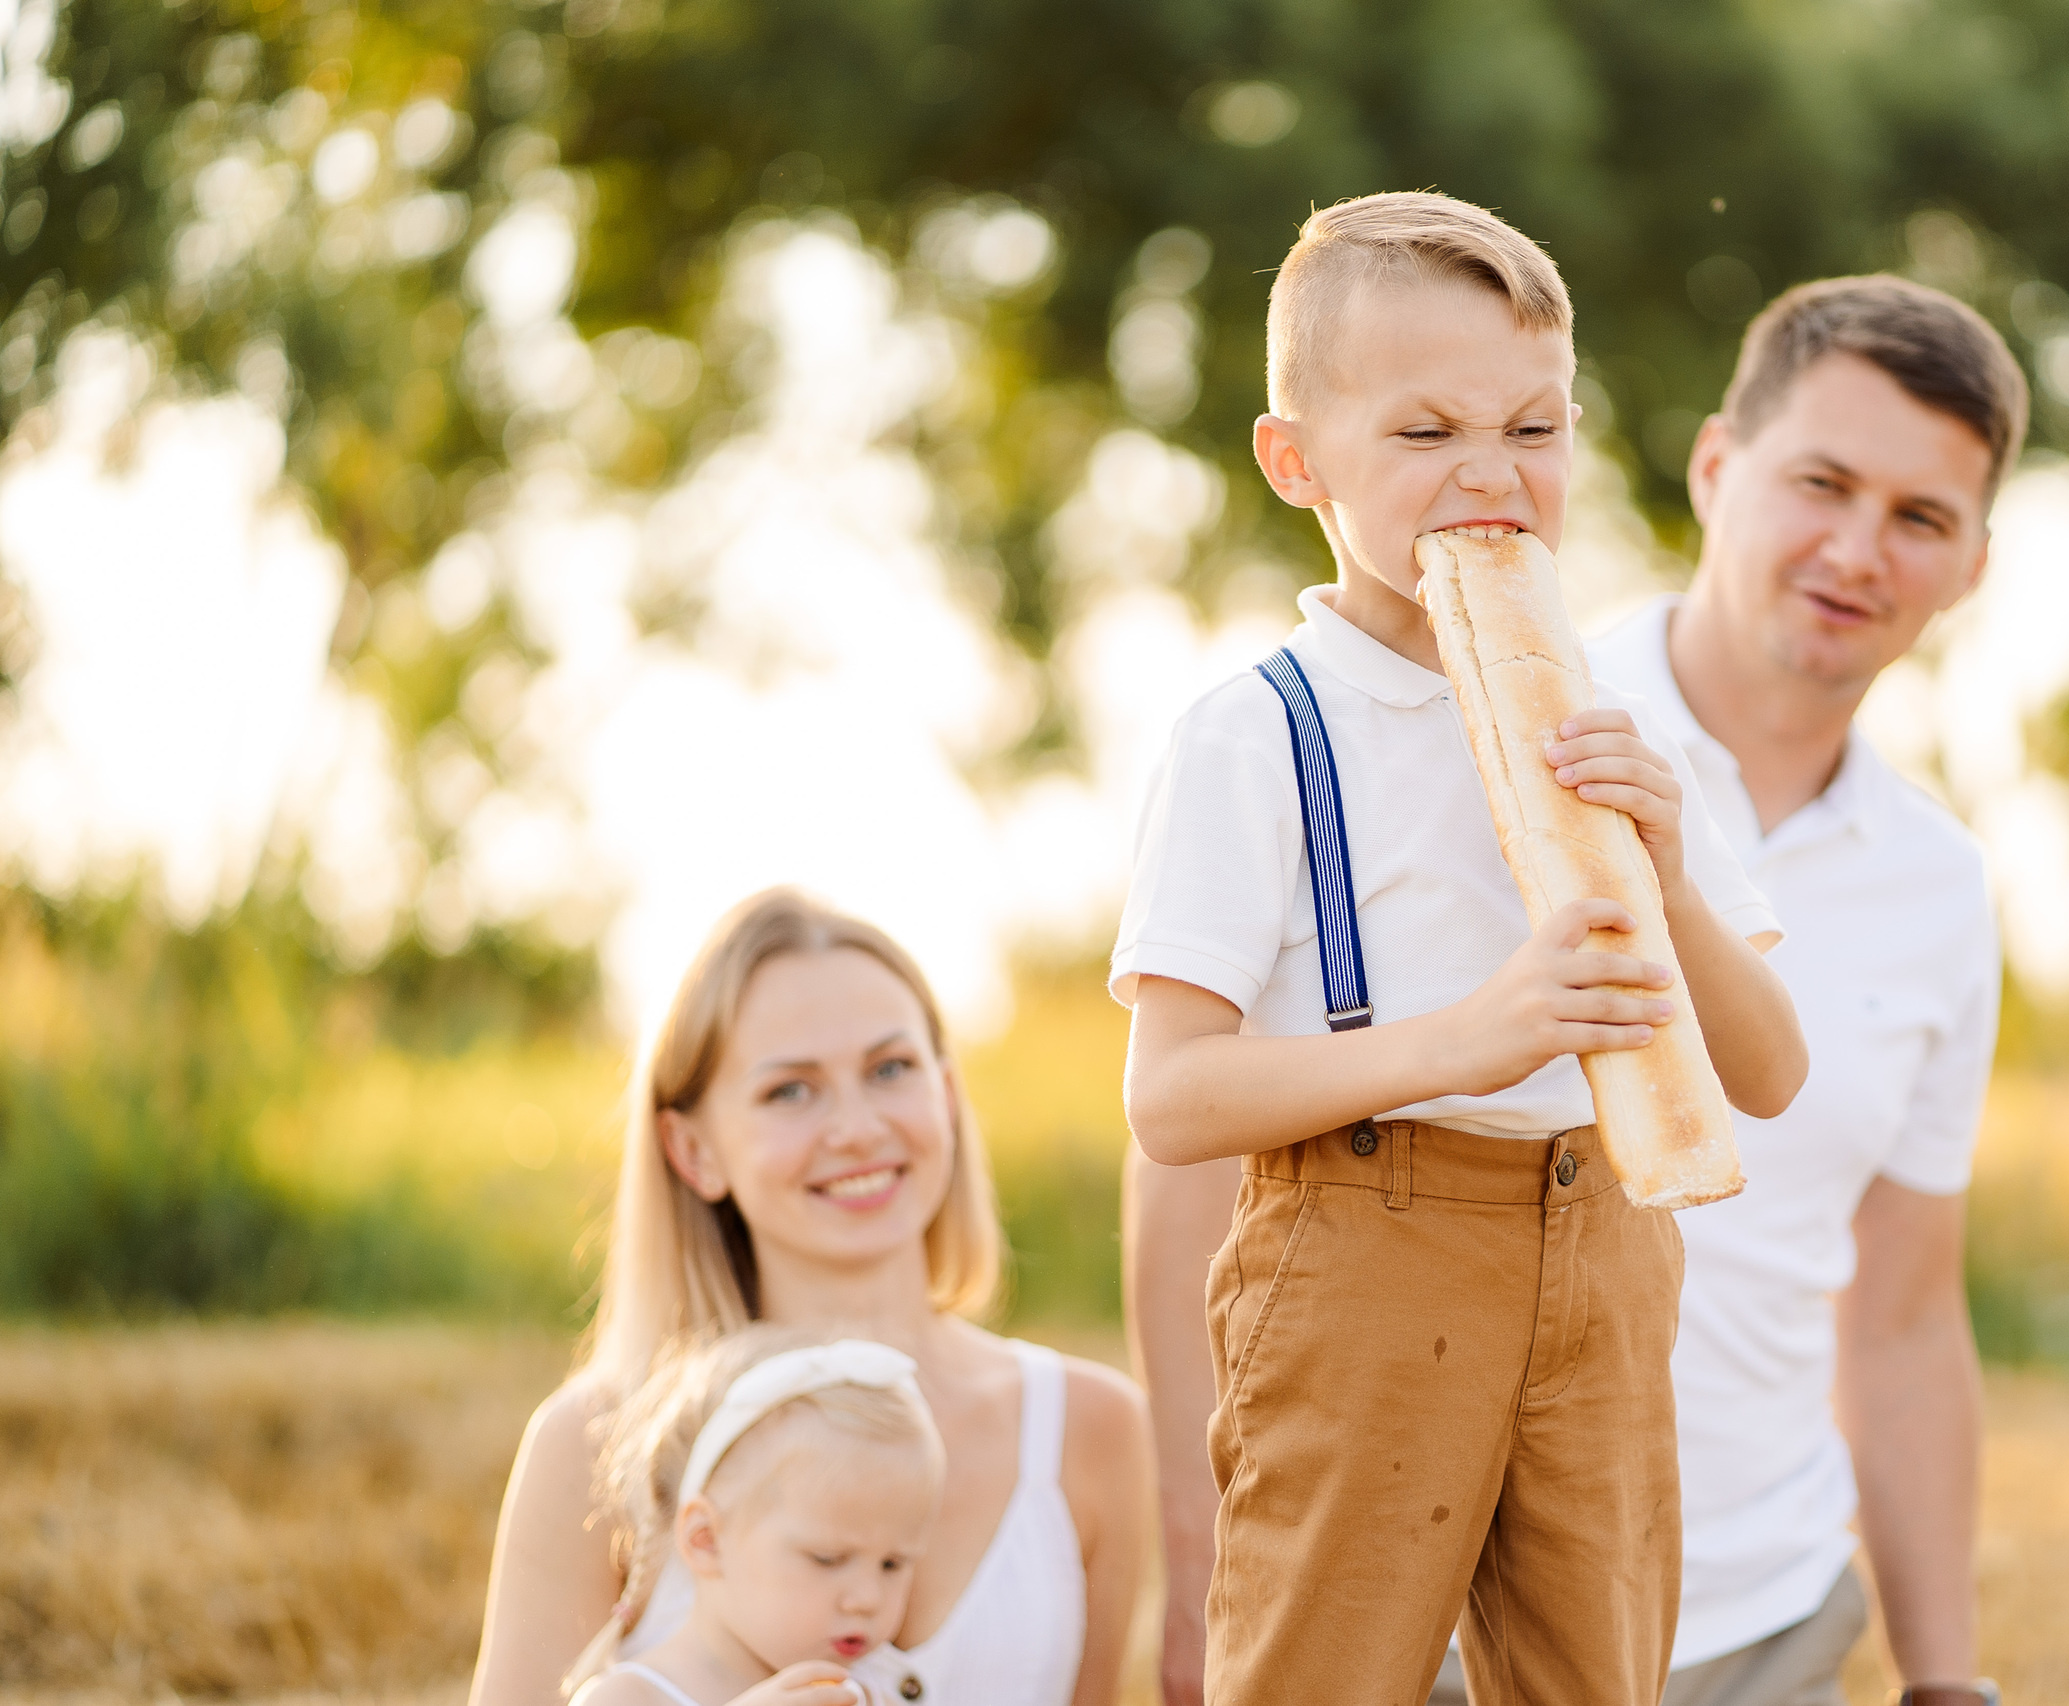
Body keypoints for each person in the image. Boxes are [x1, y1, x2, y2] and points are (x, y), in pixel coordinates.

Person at [1114, 191, 1808, 1706]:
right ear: (1297, 459)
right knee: (1323, 1665)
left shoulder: (1622, 713)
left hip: (1609, 1245)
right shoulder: (1257, 731)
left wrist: (1673, 875)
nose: (1490, 475)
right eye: (1424, 435)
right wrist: (1466, 1038)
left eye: (1535, 429)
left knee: (1596, 1674)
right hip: (1367, 1233)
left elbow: (1768, 1070)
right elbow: (1170, 1100)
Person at [1433, 276, 2026, 1706]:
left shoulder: (1943, 888)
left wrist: (1947, 1681)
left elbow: (1900, 1317)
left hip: (1768, 1627)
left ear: (1972, 566)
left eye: (1920, 518)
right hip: (1451, 1624)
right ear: (1714, 467)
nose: (1856, 549)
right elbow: (1223, 1177)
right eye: (1820, 481)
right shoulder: (1472, 733)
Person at [468, 889, 1151, 1706]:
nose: (857, 1128)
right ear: (693, 1150)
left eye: (890, 1069)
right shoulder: (597, 1443)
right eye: (790, 1090)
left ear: (945, 1090)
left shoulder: (1090, 1429)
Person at [565, 1329, 947, 1706]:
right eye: (827, 1558)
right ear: (706, 1539)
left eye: (892, 1564)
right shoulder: (630, 1697)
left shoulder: (867, 1695)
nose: (867, 1598)